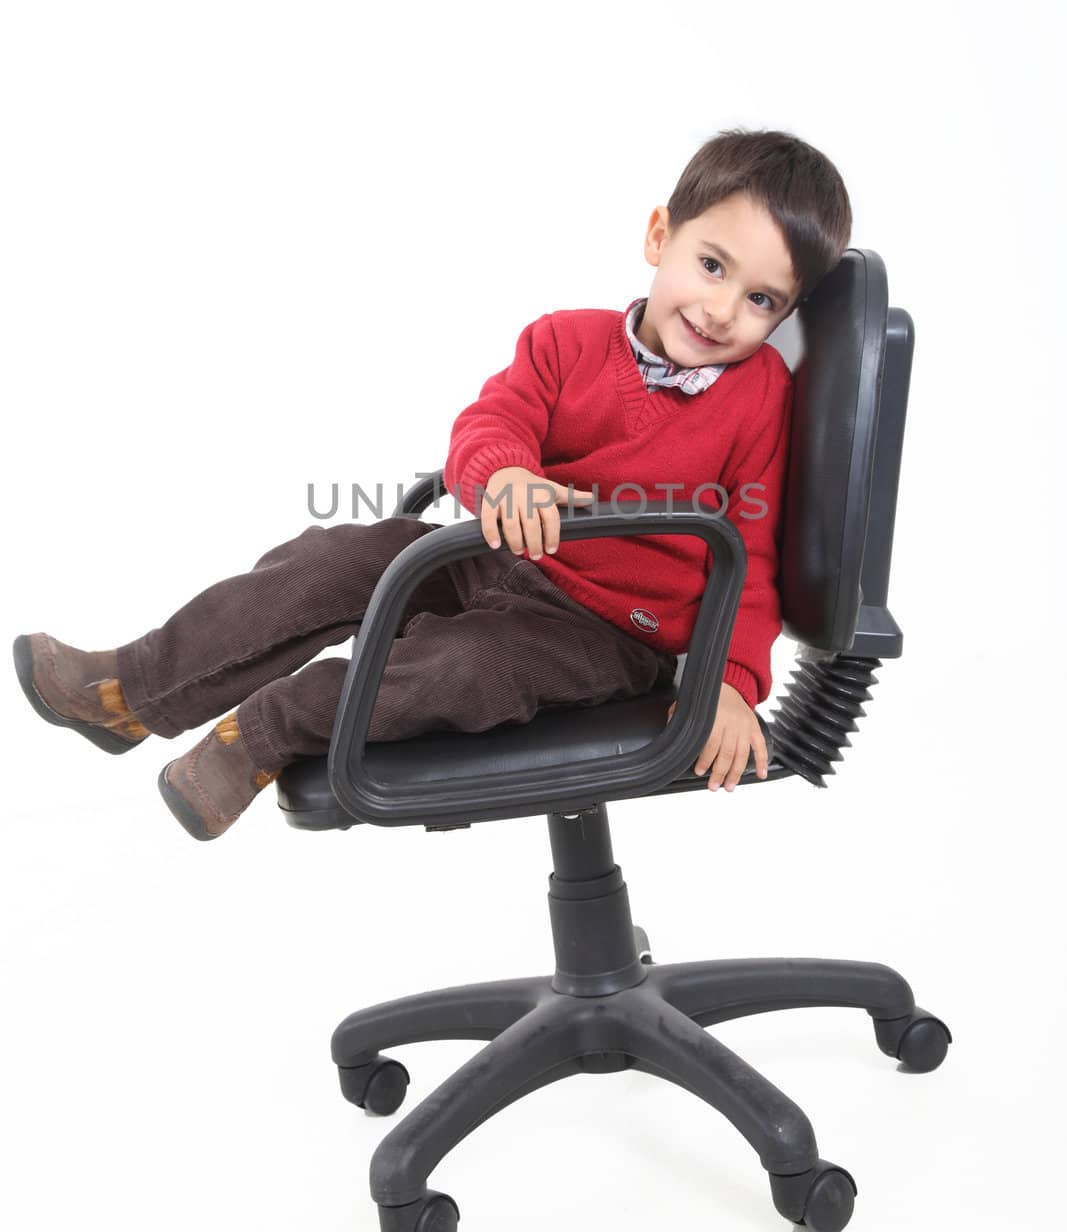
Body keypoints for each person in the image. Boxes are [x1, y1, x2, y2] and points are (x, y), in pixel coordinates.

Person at [13, 127, 851, 840]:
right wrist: (506, 475)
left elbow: (750, 554)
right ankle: (129, 688)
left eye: (760, 301)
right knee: (337, 557)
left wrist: (730, 686)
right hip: (498, 553)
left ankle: (259, 738)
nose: (720, 311)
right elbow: (490, 426)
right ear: (658, 235)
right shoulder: (563, 341)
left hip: (608, 632)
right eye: (711, 265)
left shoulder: (758, 400)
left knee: (467, 667)